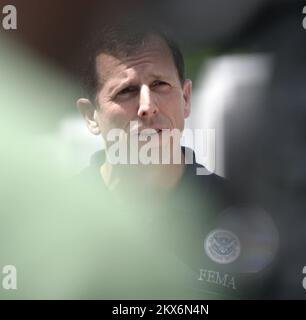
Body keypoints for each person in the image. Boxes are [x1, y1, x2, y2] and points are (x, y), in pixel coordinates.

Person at [75, 19, 278, 299]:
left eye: (159, 84)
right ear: (90, 116)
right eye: (126, 91)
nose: (147, 106)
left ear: (186, 98)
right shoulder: (51, 219)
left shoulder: (242, 220)